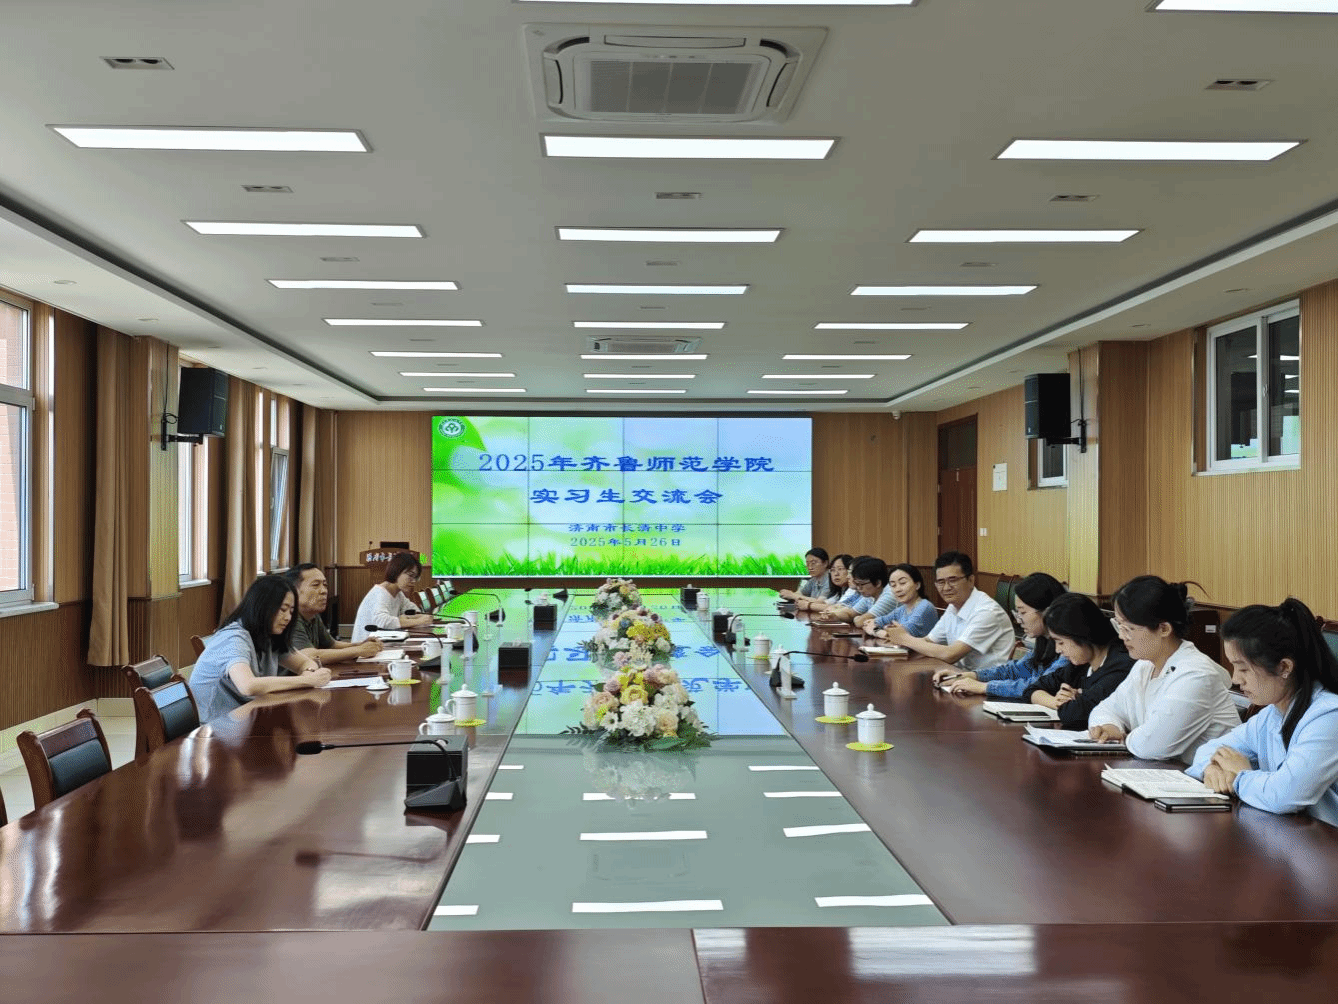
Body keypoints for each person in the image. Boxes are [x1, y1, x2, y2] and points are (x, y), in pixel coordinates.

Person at [1188, 599, 1338, 826]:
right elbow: (1208, 751)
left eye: (1243, 668)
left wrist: (1240, 777)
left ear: (1284, 667)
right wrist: (1211, 769)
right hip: (1292, 835)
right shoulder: (1272, 714)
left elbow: (1285, 795)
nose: (1235, 679)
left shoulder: (1329, 716)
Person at [1086, 575, 1240, 761]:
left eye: (1129, 628)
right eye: (1119, 626)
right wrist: (1110, 727)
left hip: (1210, 777)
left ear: (1164, 629)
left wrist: (1125, 737)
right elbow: (1104, 709)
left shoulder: (1196, 674)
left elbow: (1152, 746)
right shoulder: (1145, 666)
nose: (1121, 636)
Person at [189, 574, 331, 720]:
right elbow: (248, 686)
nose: (288, 617)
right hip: (215, 726)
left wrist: (309, 673)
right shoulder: (234, 638)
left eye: (291, 611)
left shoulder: (268, 636)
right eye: (283, 609)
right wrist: (308, 680)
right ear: (263, 607)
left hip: (245, 717)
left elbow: (305, 663)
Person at [932, 572, 1066, 696]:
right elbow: (1015, 670)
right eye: (1017, 612)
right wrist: (971, 676)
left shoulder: (1067, 649)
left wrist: (985, 687)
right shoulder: (1044, 642)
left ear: (1047, 612)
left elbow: (1040, 686)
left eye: (1023, 612)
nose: (1018, 620)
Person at [1021, 592, 1136, 728]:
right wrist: (1056, 701)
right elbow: (1031, 689)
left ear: (1081, 634)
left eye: (1061, 642)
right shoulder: (1080, 665)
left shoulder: (1121, 665)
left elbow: (1074, 714)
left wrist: (1075, 701)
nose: (1058, 650)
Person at [885, 551, 1014, 672]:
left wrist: (904, 638)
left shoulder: (987, 611)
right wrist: (900, 638)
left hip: (989, 683)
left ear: (971, 580)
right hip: (961, 677)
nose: (946, 588)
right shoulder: (953, 607)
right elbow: (928, 641)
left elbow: (951, 654)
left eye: (953, 580)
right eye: (941, 582)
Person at [285, 563, 384, 664]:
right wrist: (359, 650)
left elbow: (332, 645)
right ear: (294, 591)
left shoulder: (312, 615)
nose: (323, 591)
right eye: (315, 585)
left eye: (325, 585)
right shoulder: (289, 618)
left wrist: (360, 645)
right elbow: (309, 656)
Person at [351, 552, 435, 642]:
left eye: (416, 577)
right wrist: (418, 621)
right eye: (410, 575)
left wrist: (408, 618)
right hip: (364, 646)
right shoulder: (380, 593)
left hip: (383, 642)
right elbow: (382, 621)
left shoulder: (398, 593)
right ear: (396, 571)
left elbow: (413, 610)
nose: (413, 581)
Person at [865, 563, 938, 638]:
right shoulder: (901, 609)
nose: (897, 589)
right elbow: (871, 622)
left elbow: (900, 636)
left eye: (902, 583)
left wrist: (876, 630)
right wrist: (879, 628)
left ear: (917, 585)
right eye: (893, 585)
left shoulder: (924, 607)